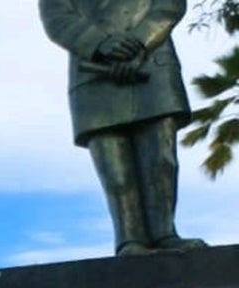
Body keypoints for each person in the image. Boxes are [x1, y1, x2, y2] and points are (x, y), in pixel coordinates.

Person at [39, 0, 206, 255]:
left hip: (153, 66)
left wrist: (139, 42)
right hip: (94, 75)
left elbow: (168, 5)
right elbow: (58, 19)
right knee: (115, 171)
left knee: (161, 160)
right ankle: (130, 239)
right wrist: (100, 44)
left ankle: (164, 233)